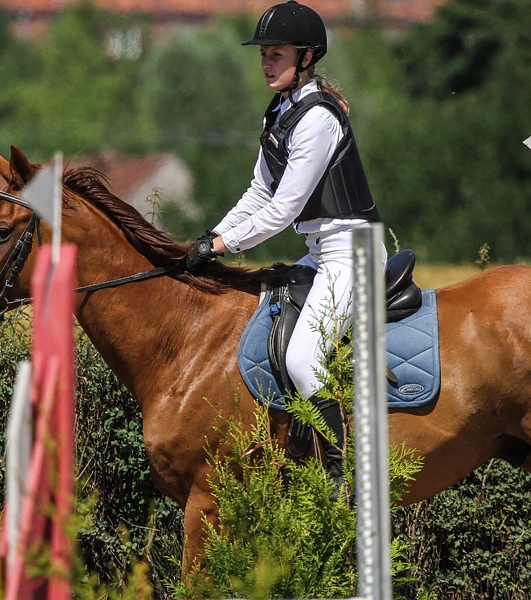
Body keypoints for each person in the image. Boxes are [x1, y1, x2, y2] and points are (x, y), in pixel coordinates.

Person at [185, 0, 384, 501]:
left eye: (276, 54)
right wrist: (211, 236)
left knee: (304, 360)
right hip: (322, 252)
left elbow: (281, 210)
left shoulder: (317, 119)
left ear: (307, 57)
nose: (267, 63)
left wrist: (226, 244)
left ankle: (347, 473)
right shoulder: (281, 111)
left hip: (353, 254)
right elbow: (257, 192)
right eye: (264, 55)